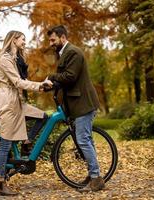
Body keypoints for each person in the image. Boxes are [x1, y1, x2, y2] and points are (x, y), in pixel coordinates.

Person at [46, 25, 105, 192]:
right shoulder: (65, 52)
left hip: (83, 104)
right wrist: (52, 85)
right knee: (86, 140)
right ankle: (93, 175)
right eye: (50, 40)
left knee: (83, 140)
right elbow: (65, 79)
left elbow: (70, 77)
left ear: (63, 37)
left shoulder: (73, 52)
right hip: (77, 104)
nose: (51, 43)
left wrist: (51, 77)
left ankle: (96, 179)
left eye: (53, 39)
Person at [0, 30, 52, 196]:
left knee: (43, 116)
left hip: (17, 102)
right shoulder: (5, 59)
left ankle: (27, 141)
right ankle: (0, 183)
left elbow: (23, 81)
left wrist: (42, 85)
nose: (25, 42)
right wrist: (39, 85)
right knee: (5, 144)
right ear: (13, 40)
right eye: (22, 39)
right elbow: (18, 82)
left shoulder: (16, 59)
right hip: (7, 104)